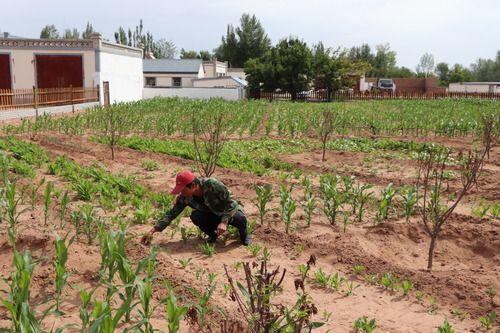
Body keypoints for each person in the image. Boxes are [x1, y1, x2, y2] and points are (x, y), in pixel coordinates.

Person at [141, 170, 251, 246]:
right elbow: (171, 214)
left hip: (228, 212)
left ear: (193, 185)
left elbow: (231, 202)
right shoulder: (185, 198)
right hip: (212, 214)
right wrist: (153, 231)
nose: (181, 193)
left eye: (183, 190)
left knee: (240, 218)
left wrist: (224, 222)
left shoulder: (212, 184)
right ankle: (213, 235)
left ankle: (244, 235)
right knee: (196, 216)